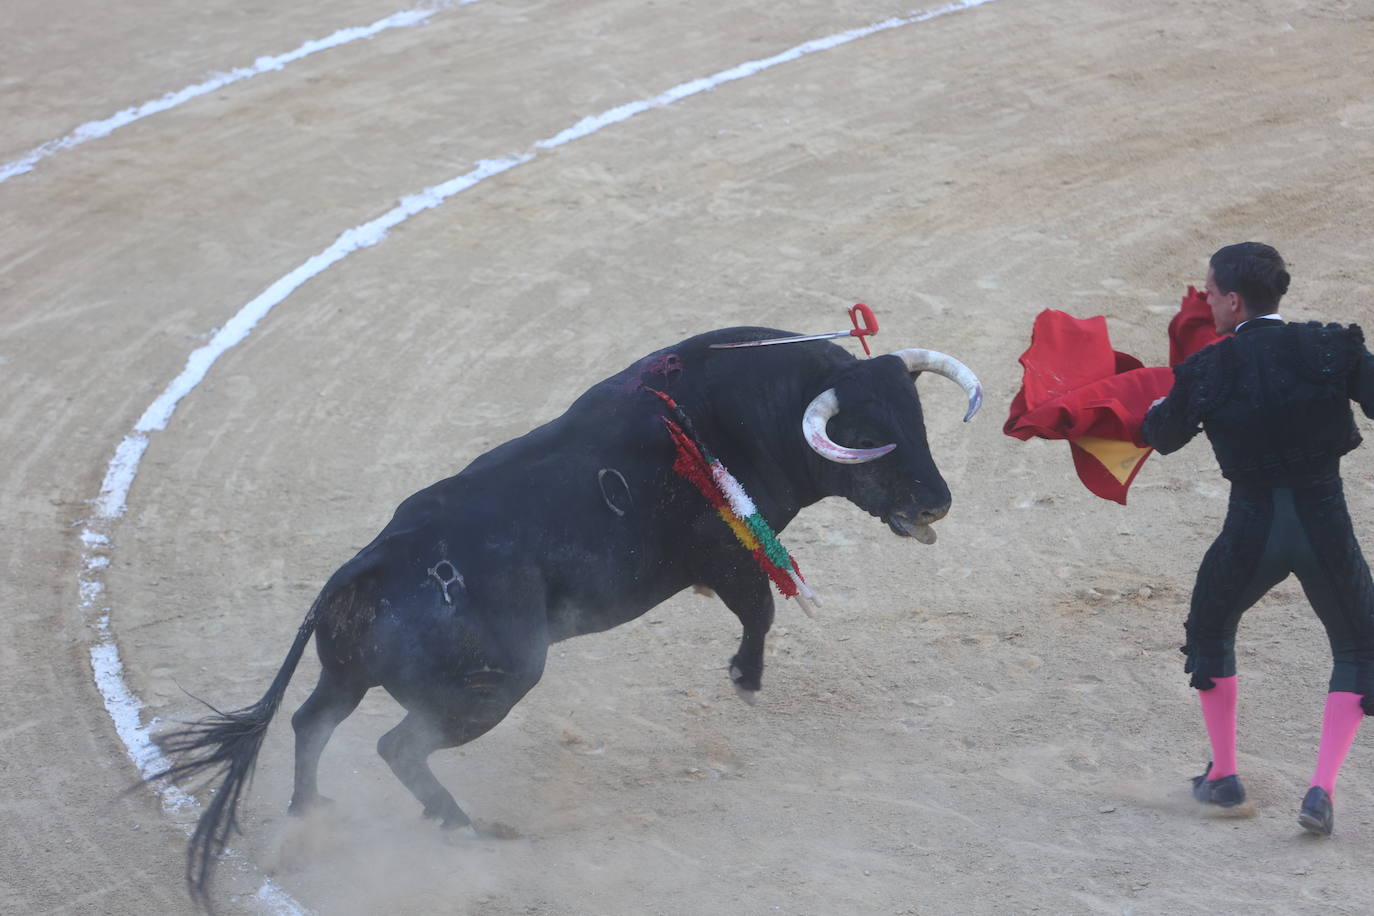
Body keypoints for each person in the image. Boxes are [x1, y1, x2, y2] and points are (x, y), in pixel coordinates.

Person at [1141, 242, 1374, 836]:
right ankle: (1320, 789)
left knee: (1211, 627)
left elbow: (1161, 435)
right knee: (1357, 647)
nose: (1206, 302)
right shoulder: (1328, 346)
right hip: (1327, 528)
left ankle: (1224, 778)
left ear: (1235, 300)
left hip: (1252, 533)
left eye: (1211, 293)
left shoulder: (1208, 369)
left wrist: (1156, 399)